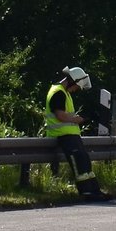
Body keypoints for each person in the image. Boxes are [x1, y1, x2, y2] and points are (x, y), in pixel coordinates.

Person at [43, 66, 107, 201]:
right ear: (72, 81)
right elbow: (60, 115)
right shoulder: (58, 92)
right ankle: (87, 192)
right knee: (78, 162)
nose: (76, 89)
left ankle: (94, 190)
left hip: (70, 135)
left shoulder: (64, 92)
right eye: (76, 86)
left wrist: (76, 119)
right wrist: (75, 119)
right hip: (62, 135)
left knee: (84, 160)